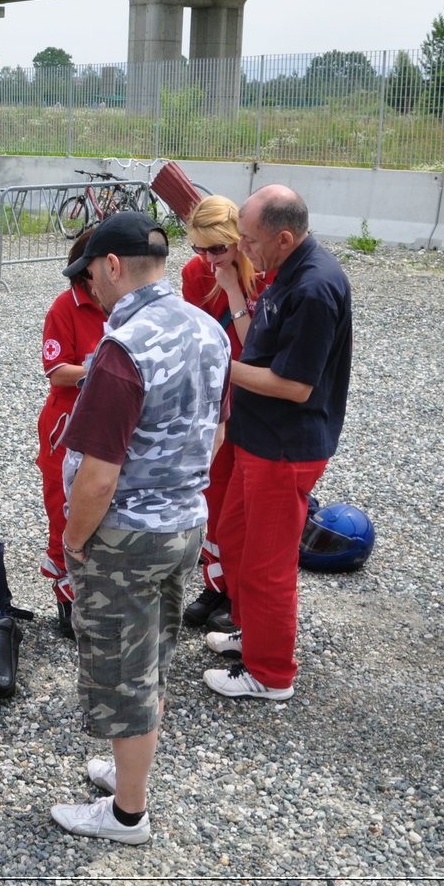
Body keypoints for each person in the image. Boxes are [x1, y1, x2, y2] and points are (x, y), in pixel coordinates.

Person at [50, 212, 229, 843]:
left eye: (91, 272)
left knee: (124, 674)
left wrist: (74, 540)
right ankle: (129, 773)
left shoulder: (122, 350)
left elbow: (99, 475)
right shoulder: (209, 329)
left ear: (114, 266)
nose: (89, 287)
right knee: (153, 655)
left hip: (124, 535)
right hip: (183, 521)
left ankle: (128, 813)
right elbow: (216, 429)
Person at [203, 185, 352, 702]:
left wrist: (217, 366)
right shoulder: (285, 274)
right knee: (235, 537)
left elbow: (295, 386)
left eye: (247, 239)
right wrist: (232, 293)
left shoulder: (314, 288)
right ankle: (253, 634)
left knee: (268, 563)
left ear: (283, 237)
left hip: (285, 447)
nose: (241, 248)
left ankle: (270, 674)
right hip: (256, 437)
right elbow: (256, 343)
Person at [178, 196, 276, 634]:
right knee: (214, 498)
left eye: (217, 248)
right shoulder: (194, 273)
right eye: (200, 249)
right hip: (214, 399)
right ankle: (216, 583)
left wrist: (235, 289)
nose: (207, 258)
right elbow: (196, 340)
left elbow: (257, 347)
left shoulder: (266, 275)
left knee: (244, 505)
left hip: (256, 397)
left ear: (239, 239)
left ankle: (239, 591)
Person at [35, 227, 107, 639]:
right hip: (67, 424)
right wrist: (103, 371)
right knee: (63, 507)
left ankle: (99, 596)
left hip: (111, 421)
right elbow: (56, 370)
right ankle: (67, 600)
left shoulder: (126, 304)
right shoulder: (65, 307)